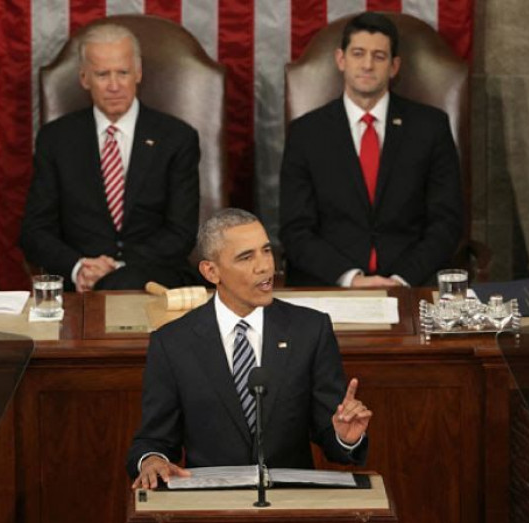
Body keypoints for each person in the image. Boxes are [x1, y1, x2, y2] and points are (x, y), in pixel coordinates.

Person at [127, 208, 372, 489]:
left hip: (291, 501)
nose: (264, 267)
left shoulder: (310, 330)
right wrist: (152, 460)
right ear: (211, 271)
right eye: (246, 257)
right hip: (211, 503)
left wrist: (345, 437)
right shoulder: (173, 342)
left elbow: (331, 434)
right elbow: (154, 440)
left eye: (266, 251)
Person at [279, 12, 463, 288]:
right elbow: (295, 229)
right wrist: (350, 279)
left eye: (379, 56)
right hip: (331, 283)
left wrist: (401, 280)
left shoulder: (430, 127)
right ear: (341, 60)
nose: (367, 65)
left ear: (394, 66)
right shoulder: (306, 133)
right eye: (358, 54)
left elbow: (446, 222)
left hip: (413, 283)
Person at [20, 22, 200, 292]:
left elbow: (181, 232)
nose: (114, 86)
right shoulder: (55, 139)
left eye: (123, 73)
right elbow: (35, 231)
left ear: (138, 73)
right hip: (80, 281)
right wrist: (78, 268)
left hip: (153, 277)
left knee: (122, 284)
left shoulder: (177, 138)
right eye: (102, 74)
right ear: (84, 78)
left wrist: (116, 269)